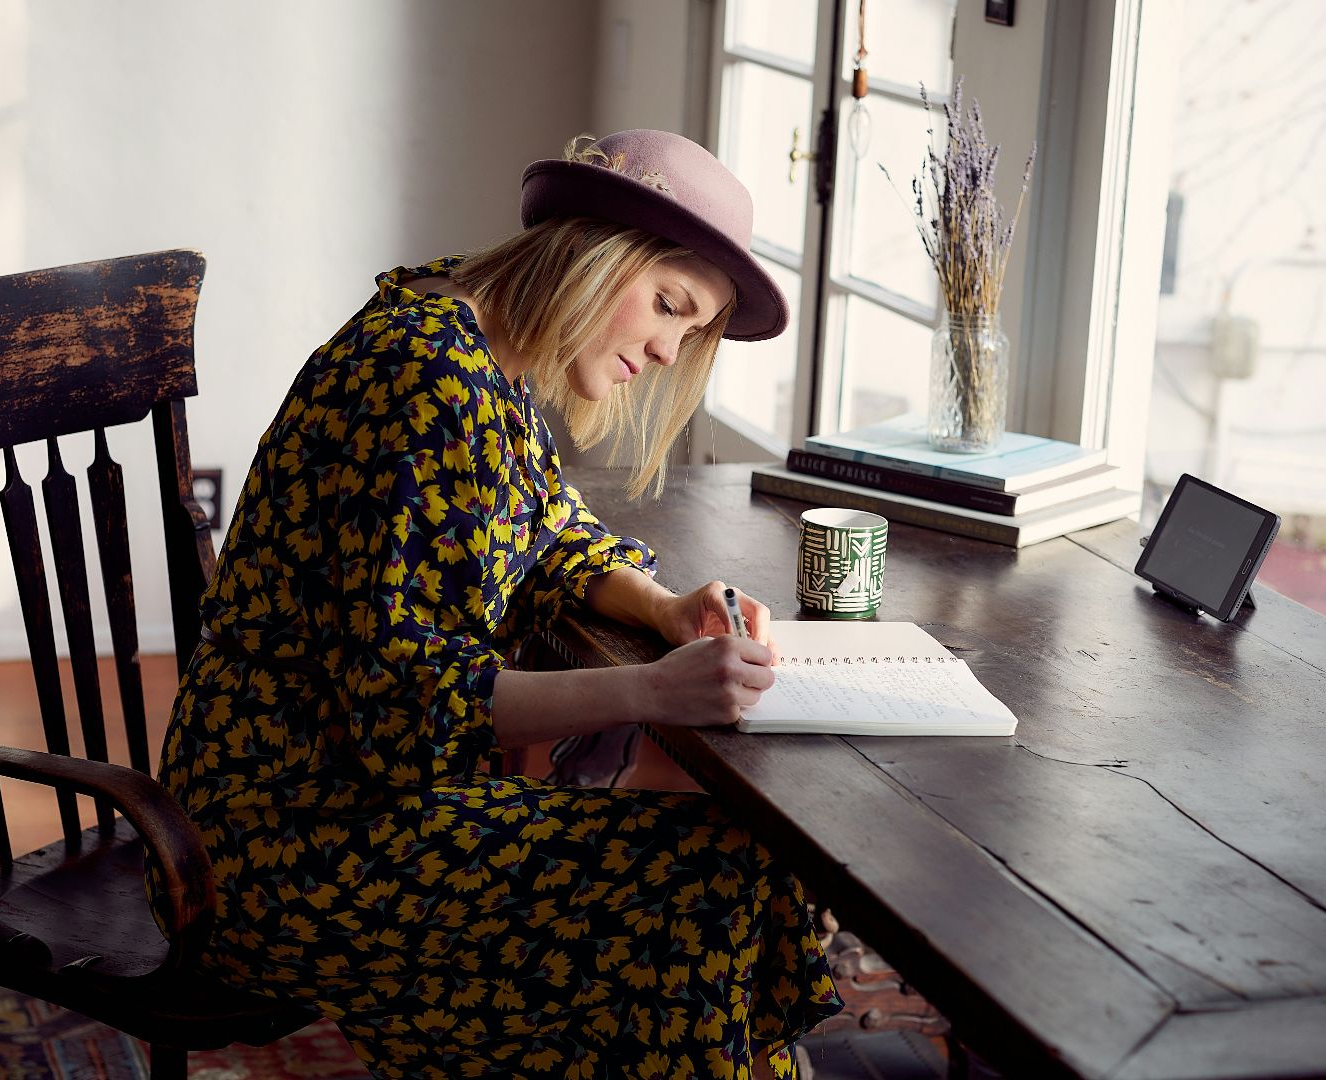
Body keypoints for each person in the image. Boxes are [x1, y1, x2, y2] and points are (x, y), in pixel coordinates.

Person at [146, 129, 843, 1078]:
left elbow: (544, 524)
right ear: (593, 252)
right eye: (670, 306)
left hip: (352, 805)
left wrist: (663, 606)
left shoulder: (471, 335)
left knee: (725, 863)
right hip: (280, 843)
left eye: (691, 333)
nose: (667, 350)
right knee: (702, 878)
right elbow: (408, 709)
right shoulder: (424, 381)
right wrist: (651, 691)